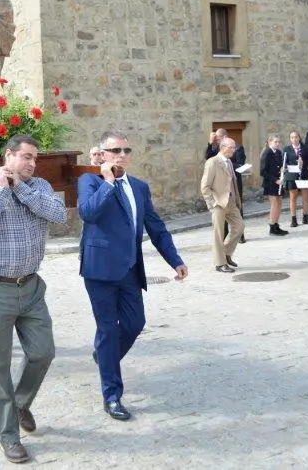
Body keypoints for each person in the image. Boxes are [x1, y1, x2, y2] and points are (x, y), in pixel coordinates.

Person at [0, 135, 67, 464]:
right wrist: (1, 191)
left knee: (43, 352)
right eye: (25, 157)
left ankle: (20, 403)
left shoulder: (40, 188)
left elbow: (59, 215)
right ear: (9, 156)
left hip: (31, 288)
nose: (32, 163)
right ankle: (9, 436)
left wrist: (20, 188)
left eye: (34, 158)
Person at [78, 130, 187, 422]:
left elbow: (155, 226)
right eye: (115, 150)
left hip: (129, 268)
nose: (122, 155)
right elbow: (88, 213)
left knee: (134, 323)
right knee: (107, 330)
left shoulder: (139, 187)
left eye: (126, 150)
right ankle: (112, 395)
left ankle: (104, 357)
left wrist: (174, 260)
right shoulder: (90, 181)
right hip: (99, 269)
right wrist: (108, 181)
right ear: (101, 154)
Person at [200, 137, 245, 273]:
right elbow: (205, 186)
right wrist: (213, 203)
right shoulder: (212, 162)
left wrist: (237, 200)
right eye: (232, 147)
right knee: (218, 234)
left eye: (234, 147)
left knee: (239, 227)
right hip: (218, 203)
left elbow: (233, 183)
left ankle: (225, 254)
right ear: (223, 147)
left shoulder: (229, 162)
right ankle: (220, 264)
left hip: (231, 202)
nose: (234, 150)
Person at [259, 135, 289, 236]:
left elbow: (280, 166)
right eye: (275, 142)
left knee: (279, 204)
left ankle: (276, 225)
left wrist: (284, 169)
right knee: (274, 204)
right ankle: (272, 227)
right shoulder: (267, 153)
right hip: (270, 183)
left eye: (278, 142)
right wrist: (275, 180)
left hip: (278, 182)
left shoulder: (279, 152)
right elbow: (263, 172)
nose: (277, 144)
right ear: (270, 142)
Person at [282, 131, 308, 228]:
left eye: (295, 137)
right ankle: (293, 219)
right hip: (292, 176)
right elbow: (284, 163)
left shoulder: (305, 148)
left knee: (305, 197)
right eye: (292, 137)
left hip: (303, 175)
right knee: (293, 197)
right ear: (290, 139)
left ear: (299, 138)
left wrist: (304, 162)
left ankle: (305, 217)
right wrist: (287, 167)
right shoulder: (286, 149)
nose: (294, 139)